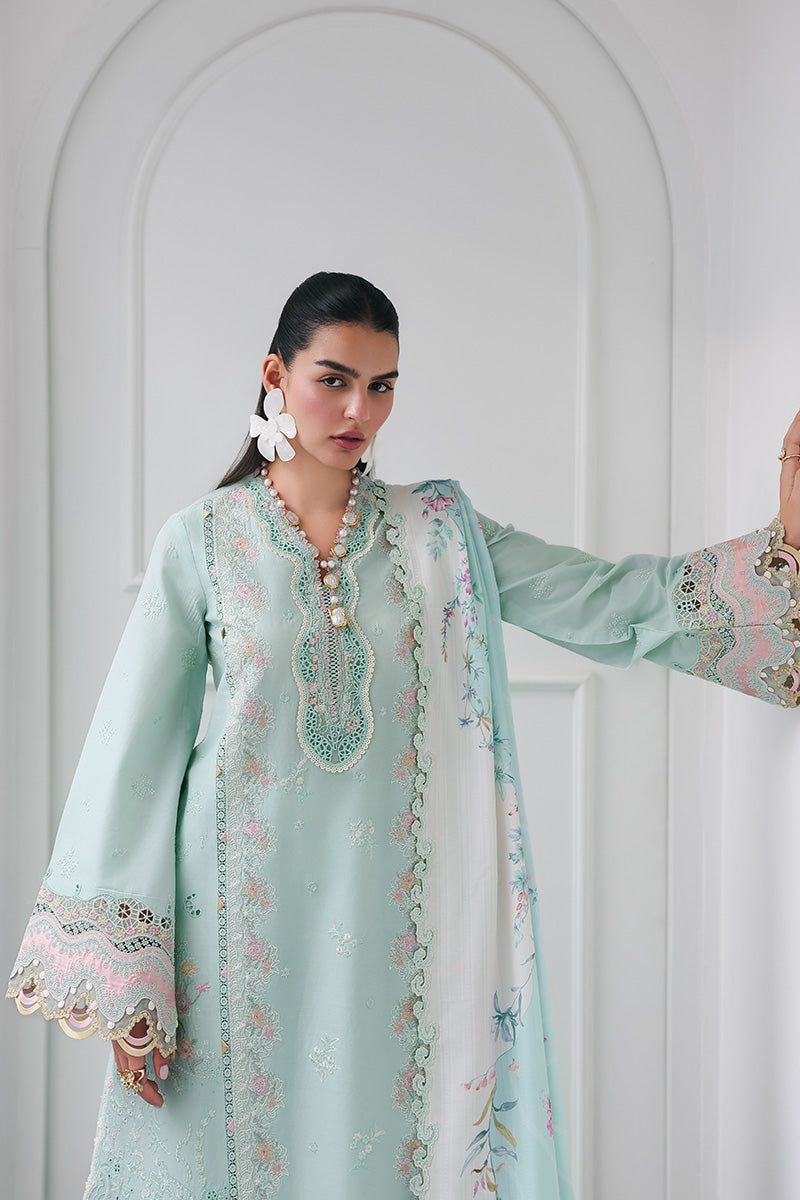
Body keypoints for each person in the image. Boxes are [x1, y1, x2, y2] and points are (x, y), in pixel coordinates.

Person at [7, 271, 800, 1200]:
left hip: (398, 930)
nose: (359, 410)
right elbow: (132, 757)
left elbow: (601, 599)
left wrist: (783, 550)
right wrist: (128, 985)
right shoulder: (203, 541)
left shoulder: (438, 534)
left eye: (381, 385)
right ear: (276, 374)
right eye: (333, 380)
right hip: (230, 933)